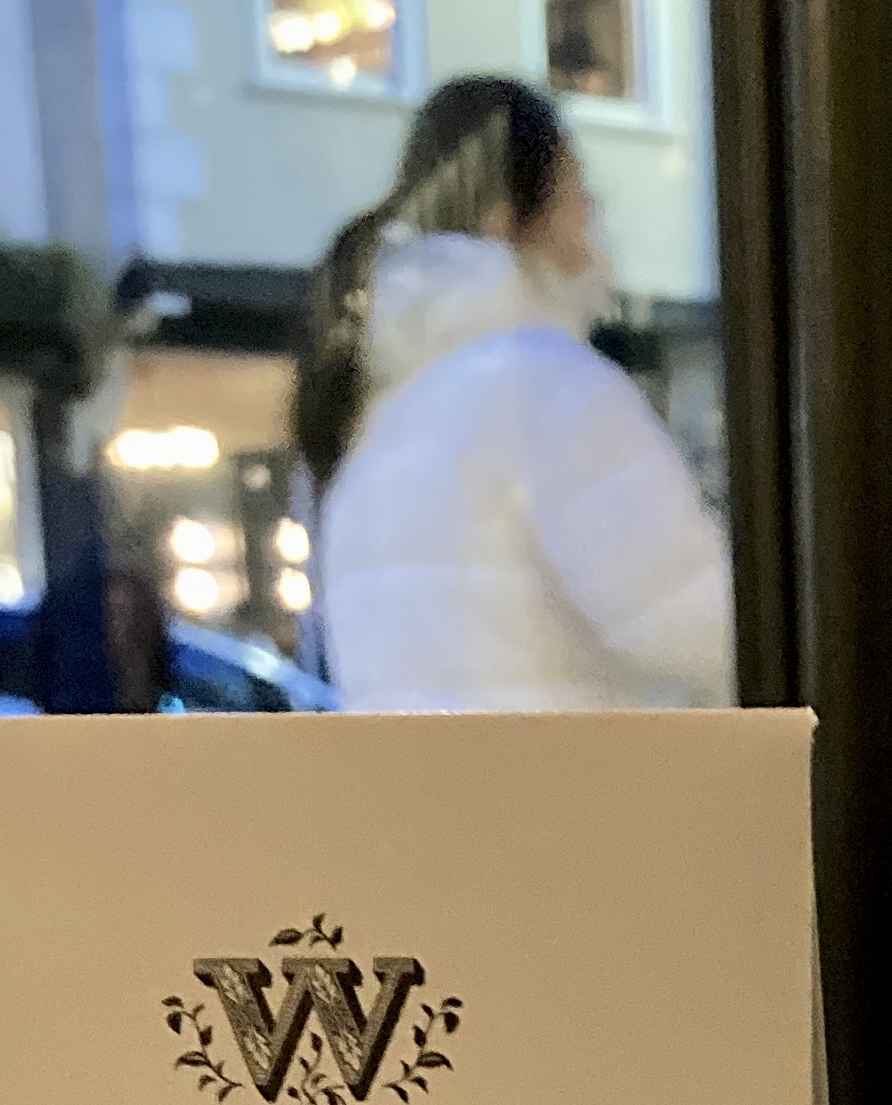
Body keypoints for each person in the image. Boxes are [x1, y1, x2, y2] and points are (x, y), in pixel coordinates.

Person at [296, 73, 731, 713]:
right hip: (570, 780)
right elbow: (704, 630)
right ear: (506, 216)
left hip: (433, 784)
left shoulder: (378, 424)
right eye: (576, 189)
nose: (595, 214)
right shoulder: (543, 385)